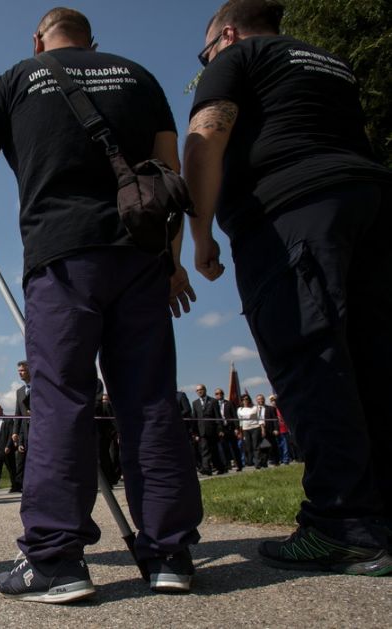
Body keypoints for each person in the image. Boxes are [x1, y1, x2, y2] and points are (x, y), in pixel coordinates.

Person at [0, 7, 202, 601]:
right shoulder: (141, 77)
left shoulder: (19, 77)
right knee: (150, 399)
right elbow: (171, 178)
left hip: (62, 259)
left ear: (38, 39)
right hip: (142, 256)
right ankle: (169, 554)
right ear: (92, 40)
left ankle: (57, 560)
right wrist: (173, 262)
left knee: (61, 399)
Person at [185, 0, 392, 575]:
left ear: (226, 35)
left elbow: (205, 139)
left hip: (290, 216)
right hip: (367, 202)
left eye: (205, 53)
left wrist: (199, 235)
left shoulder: (240, 56)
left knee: (311, 357)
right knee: (373, 359)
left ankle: (341, 525)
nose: (208, 60)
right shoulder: (328, 61)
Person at [192, 385, 225, 475]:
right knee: (204, 450)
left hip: (212, 430)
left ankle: (221, 467)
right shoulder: (195, 403)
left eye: (201, 390)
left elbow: (218, 416)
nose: (199, 391)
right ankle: (206, 468)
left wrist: (220, 429)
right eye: (197, 390)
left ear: (205, 390)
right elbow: (194, 418)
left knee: (214, 451)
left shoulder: (213, 401)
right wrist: (195, 433)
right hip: (201, 431)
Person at [0, 404, 20, 493]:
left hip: (7, 450)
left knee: (11, 469)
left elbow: (12, 433)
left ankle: (15, 486)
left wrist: (8, 446)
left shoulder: (8, 420)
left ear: (2, 410)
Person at [12, 361, 31, 490]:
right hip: (24, 431)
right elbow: (17, 413)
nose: (20, 373)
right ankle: (24, 484)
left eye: (22, 370)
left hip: (39, 428)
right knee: (23, 459)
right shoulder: (19, 392)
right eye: (19, 371)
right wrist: (15, 432)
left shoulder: (40, 387)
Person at [213, 387, 242, 472]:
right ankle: (226, 466)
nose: (219, 395)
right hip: (221, 430)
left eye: (220, 393)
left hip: (230, 429)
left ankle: (239, 465)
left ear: (223, 394)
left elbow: (235, 416)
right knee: (223, 449)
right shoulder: (214, 405)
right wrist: (219, 430)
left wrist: (237, 428)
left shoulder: (229, 403)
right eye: (217, 394)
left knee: (234, 448)